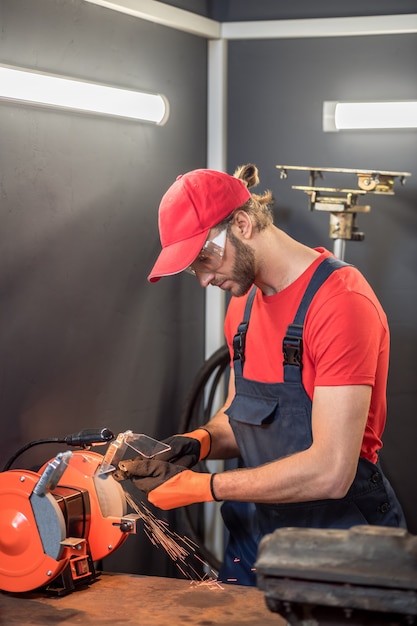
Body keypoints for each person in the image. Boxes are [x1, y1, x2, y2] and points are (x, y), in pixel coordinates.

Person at [113, 164, 406, 586]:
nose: (203, 278)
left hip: (341, 549)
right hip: (255, 543)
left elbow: (331, 471)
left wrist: (204, 489)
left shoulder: (341, 304)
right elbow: (241, 417)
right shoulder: (243, 307)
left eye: (204, 259)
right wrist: (196, 444)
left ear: (243, 224)